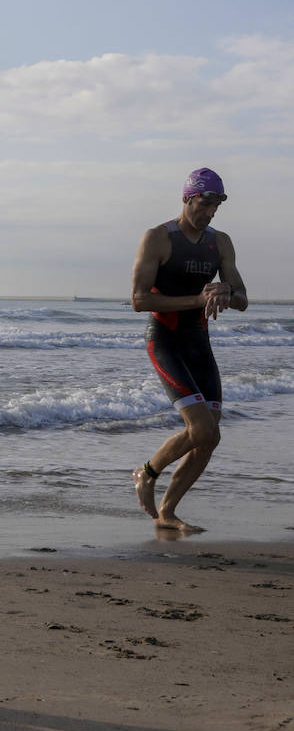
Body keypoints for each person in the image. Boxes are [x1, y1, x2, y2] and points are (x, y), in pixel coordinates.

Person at [129, 167, 247, 534]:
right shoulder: (158, 238)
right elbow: (138, 299)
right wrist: (199, 297)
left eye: (216, 206)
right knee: (200, 429)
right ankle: (146, 473)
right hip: (165, 340)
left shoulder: (221, 242)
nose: (209, 212)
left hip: (199, 343)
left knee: (210, 435)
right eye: (204, 204)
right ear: (187, 199)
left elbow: (242, 298)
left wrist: (227, 292)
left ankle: (167, 512)